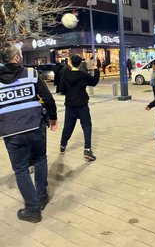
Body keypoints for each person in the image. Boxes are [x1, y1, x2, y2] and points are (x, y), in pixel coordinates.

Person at [0, 44, 58, 223]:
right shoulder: (31, 74)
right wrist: (53, 117)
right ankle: (41, 196)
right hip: (35, 126)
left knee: (21, 170)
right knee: (40, 159)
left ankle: (32, 209)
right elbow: (47, 97)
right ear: (17, 58)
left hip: (11, 131)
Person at [59, 54, 100, 161]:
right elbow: (94, 82)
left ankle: (63, 145)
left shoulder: (65, 73)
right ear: (80, 63)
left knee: (68, 126)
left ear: (71, 62)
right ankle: (87, 149)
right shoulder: (83, 75)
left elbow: (62, 89)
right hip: (82, 104)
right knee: (87, 126)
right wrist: (96, 70)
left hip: (70, 105)